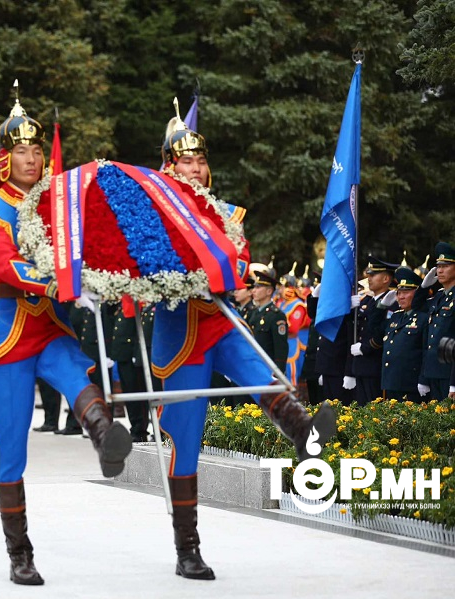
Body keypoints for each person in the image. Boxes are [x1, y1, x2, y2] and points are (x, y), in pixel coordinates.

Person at [150, 103, 336, 580]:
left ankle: (303, 431)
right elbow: (146, 267)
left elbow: (239, 262)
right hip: (179, 334)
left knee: (261, 373)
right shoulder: (153, 212)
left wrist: (229, 274)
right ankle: (186, 546)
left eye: (199, 161)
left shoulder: (227, 214)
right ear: (169, 166)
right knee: (186, 442)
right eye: (184, 162)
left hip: (220, 318)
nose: (195, 169)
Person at [0, 89, 132, 585]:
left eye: (37, 151)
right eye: (21, 151)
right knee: (13, 448)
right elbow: (2, 265)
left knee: (77, 374)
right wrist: (63, 281)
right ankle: (20, 552)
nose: (32, 159)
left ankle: (104, 437)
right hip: (9, 331)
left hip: (50, 326)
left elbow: (91, 244)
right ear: (4, 158)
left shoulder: (60, 205)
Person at [348, 256, 397, 405]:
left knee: (374, 412)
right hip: (361, 366)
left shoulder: (391, 303)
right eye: (369, 274)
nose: (369, 278)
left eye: (374, 274)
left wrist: (365, 347)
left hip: (375, 365)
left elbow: (384, 331)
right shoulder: (369, 301)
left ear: (385, 279)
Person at [111, 299, 156, 442]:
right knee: (130, 394)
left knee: (142, 395)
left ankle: (145, 429)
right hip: (123, 354)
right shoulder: (123, 304)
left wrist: (137, 355)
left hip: (136, 355)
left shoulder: (141, 306)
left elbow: (138, 333)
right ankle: (136, 428)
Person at [381, 267, 428, 400]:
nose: (401, 296)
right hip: (391, 381)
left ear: (417, 293)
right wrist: (380, 308)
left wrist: (423, 379)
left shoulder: (423, 318)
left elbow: (426, 351)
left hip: (410, 384)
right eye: (399, 292)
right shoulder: (396, 316)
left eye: (406, 292)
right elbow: (376, 331)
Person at [419, 242, 455, 400]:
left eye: (445, 266)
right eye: (438, 266)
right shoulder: (440, 297)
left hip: (449, 373)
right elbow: (417, 309)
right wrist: (423, 287)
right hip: (434, 371)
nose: (440, 270)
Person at [246, 270, 288, 372]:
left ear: (269, 291)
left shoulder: (276, 316)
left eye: (258, 287)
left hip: (267, 369)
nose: (253, 291)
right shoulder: (253, 313)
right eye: (254, 287)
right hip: (252, 366)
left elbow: (280, 349)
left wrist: (278, 372)